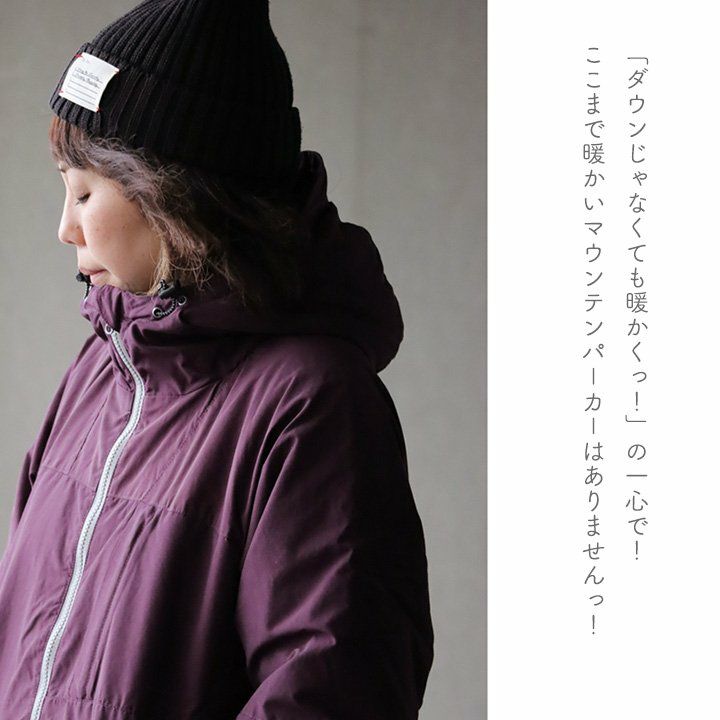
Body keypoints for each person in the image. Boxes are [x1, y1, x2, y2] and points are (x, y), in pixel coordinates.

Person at [0, 1, 434, 719]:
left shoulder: (312, 402)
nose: (65, 227)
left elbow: (331, 690)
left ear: (172, 194)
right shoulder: (103, 368)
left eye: (84, 190)